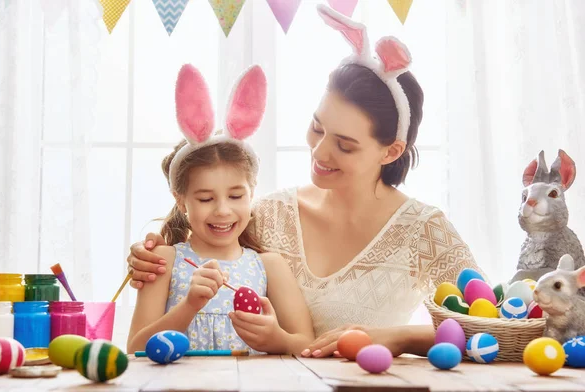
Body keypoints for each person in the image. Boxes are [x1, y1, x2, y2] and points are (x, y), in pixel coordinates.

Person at [126, 5, 484, 358]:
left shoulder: (423, 231)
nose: (320, 151)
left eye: (344, 145)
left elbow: (490, 326)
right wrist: (151, 255)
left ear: (390, 152)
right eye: (317, 127)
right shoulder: (270, 215)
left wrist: (398, 338)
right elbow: (203, 240)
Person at [126, 64, 314, 355]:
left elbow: (306, 344)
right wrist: (189, 306)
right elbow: (135, 349)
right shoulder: (163, 261)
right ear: (181, 200)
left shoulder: (269, 266)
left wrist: (277, 339)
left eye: (236, 195)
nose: (223, 210)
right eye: (205, 199)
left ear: (251, 193)